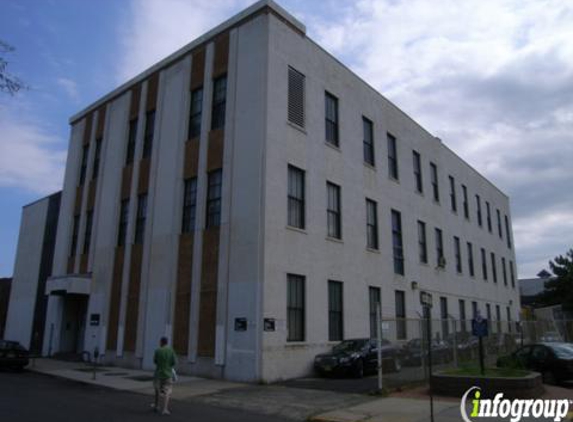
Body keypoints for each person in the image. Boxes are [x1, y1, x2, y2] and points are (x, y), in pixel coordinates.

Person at [152, 336, 177, 415]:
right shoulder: (171, 351)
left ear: (161, 342)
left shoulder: (157, 350)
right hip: (168, 374)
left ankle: (156, 406)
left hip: (158, 374)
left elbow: (155, 361)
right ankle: (165, 409)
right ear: (167, 342)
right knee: (167, 391)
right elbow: (174, 362)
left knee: (157, 390)